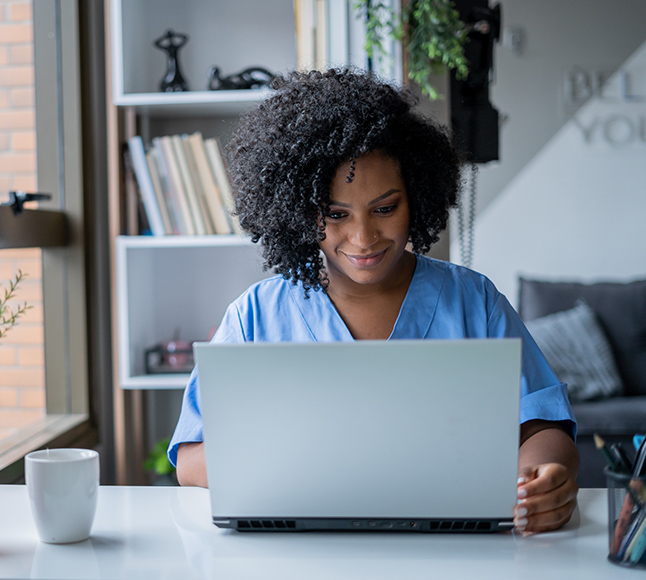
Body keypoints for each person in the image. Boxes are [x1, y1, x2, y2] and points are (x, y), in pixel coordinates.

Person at [169, 68, 579, 535]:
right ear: (298, 212)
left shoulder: (474, 301)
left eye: (385, 208)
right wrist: (305, 462)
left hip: (454, 554)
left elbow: (543, 427)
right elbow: (191, 458)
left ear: (418, 197)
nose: (363, 238)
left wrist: (543, 477)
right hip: (298, 558)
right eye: (336, 215)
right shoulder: (254, 316)